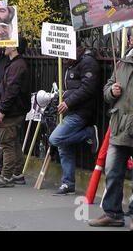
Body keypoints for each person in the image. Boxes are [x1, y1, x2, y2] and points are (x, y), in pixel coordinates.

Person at [88, 46, 133, 230]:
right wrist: (112, 91)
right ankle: (113, 214)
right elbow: (107, 89)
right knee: (113, 171)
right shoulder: (122, 63)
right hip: (119, 126)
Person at [49, 45, 100, 195]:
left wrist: (68, 101)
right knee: (64, 147)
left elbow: (88, 88)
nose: (63, 60)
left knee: (56, 138)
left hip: (80, 112)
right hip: (71, 110)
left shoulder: (87, 62)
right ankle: (68, 183)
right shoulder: (73, 63)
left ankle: (89, 133)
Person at [0, 38, 30, 188]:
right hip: (16, 110)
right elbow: (9, 87)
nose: (5, 46)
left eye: (8, 44)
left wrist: (2, 111)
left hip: (11, 111)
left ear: (14, 47)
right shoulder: (16, 64)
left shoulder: (17, 65)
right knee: (14, 142)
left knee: (6, 144)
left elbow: (11, 90)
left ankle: (7, 176)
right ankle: (17, 174)